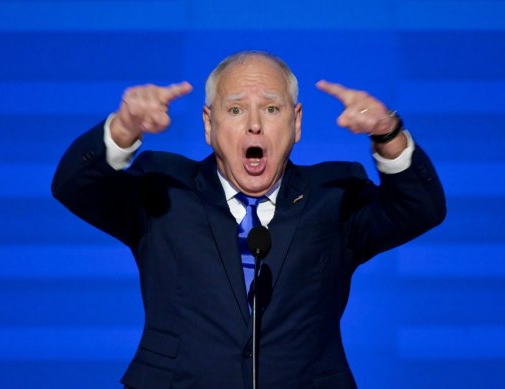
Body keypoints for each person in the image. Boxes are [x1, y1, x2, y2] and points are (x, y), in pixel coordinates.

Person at [52, 51, 446, 389]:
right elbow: (73, 186)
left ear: (296, 123)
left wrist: (388, 133)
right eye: (236, 109)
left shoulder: (335, 196)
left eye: (271, 109)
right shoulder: (163, 191)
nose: (254, 124)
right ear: (209, 124)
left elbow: (420, 209)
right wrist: (123, 128)